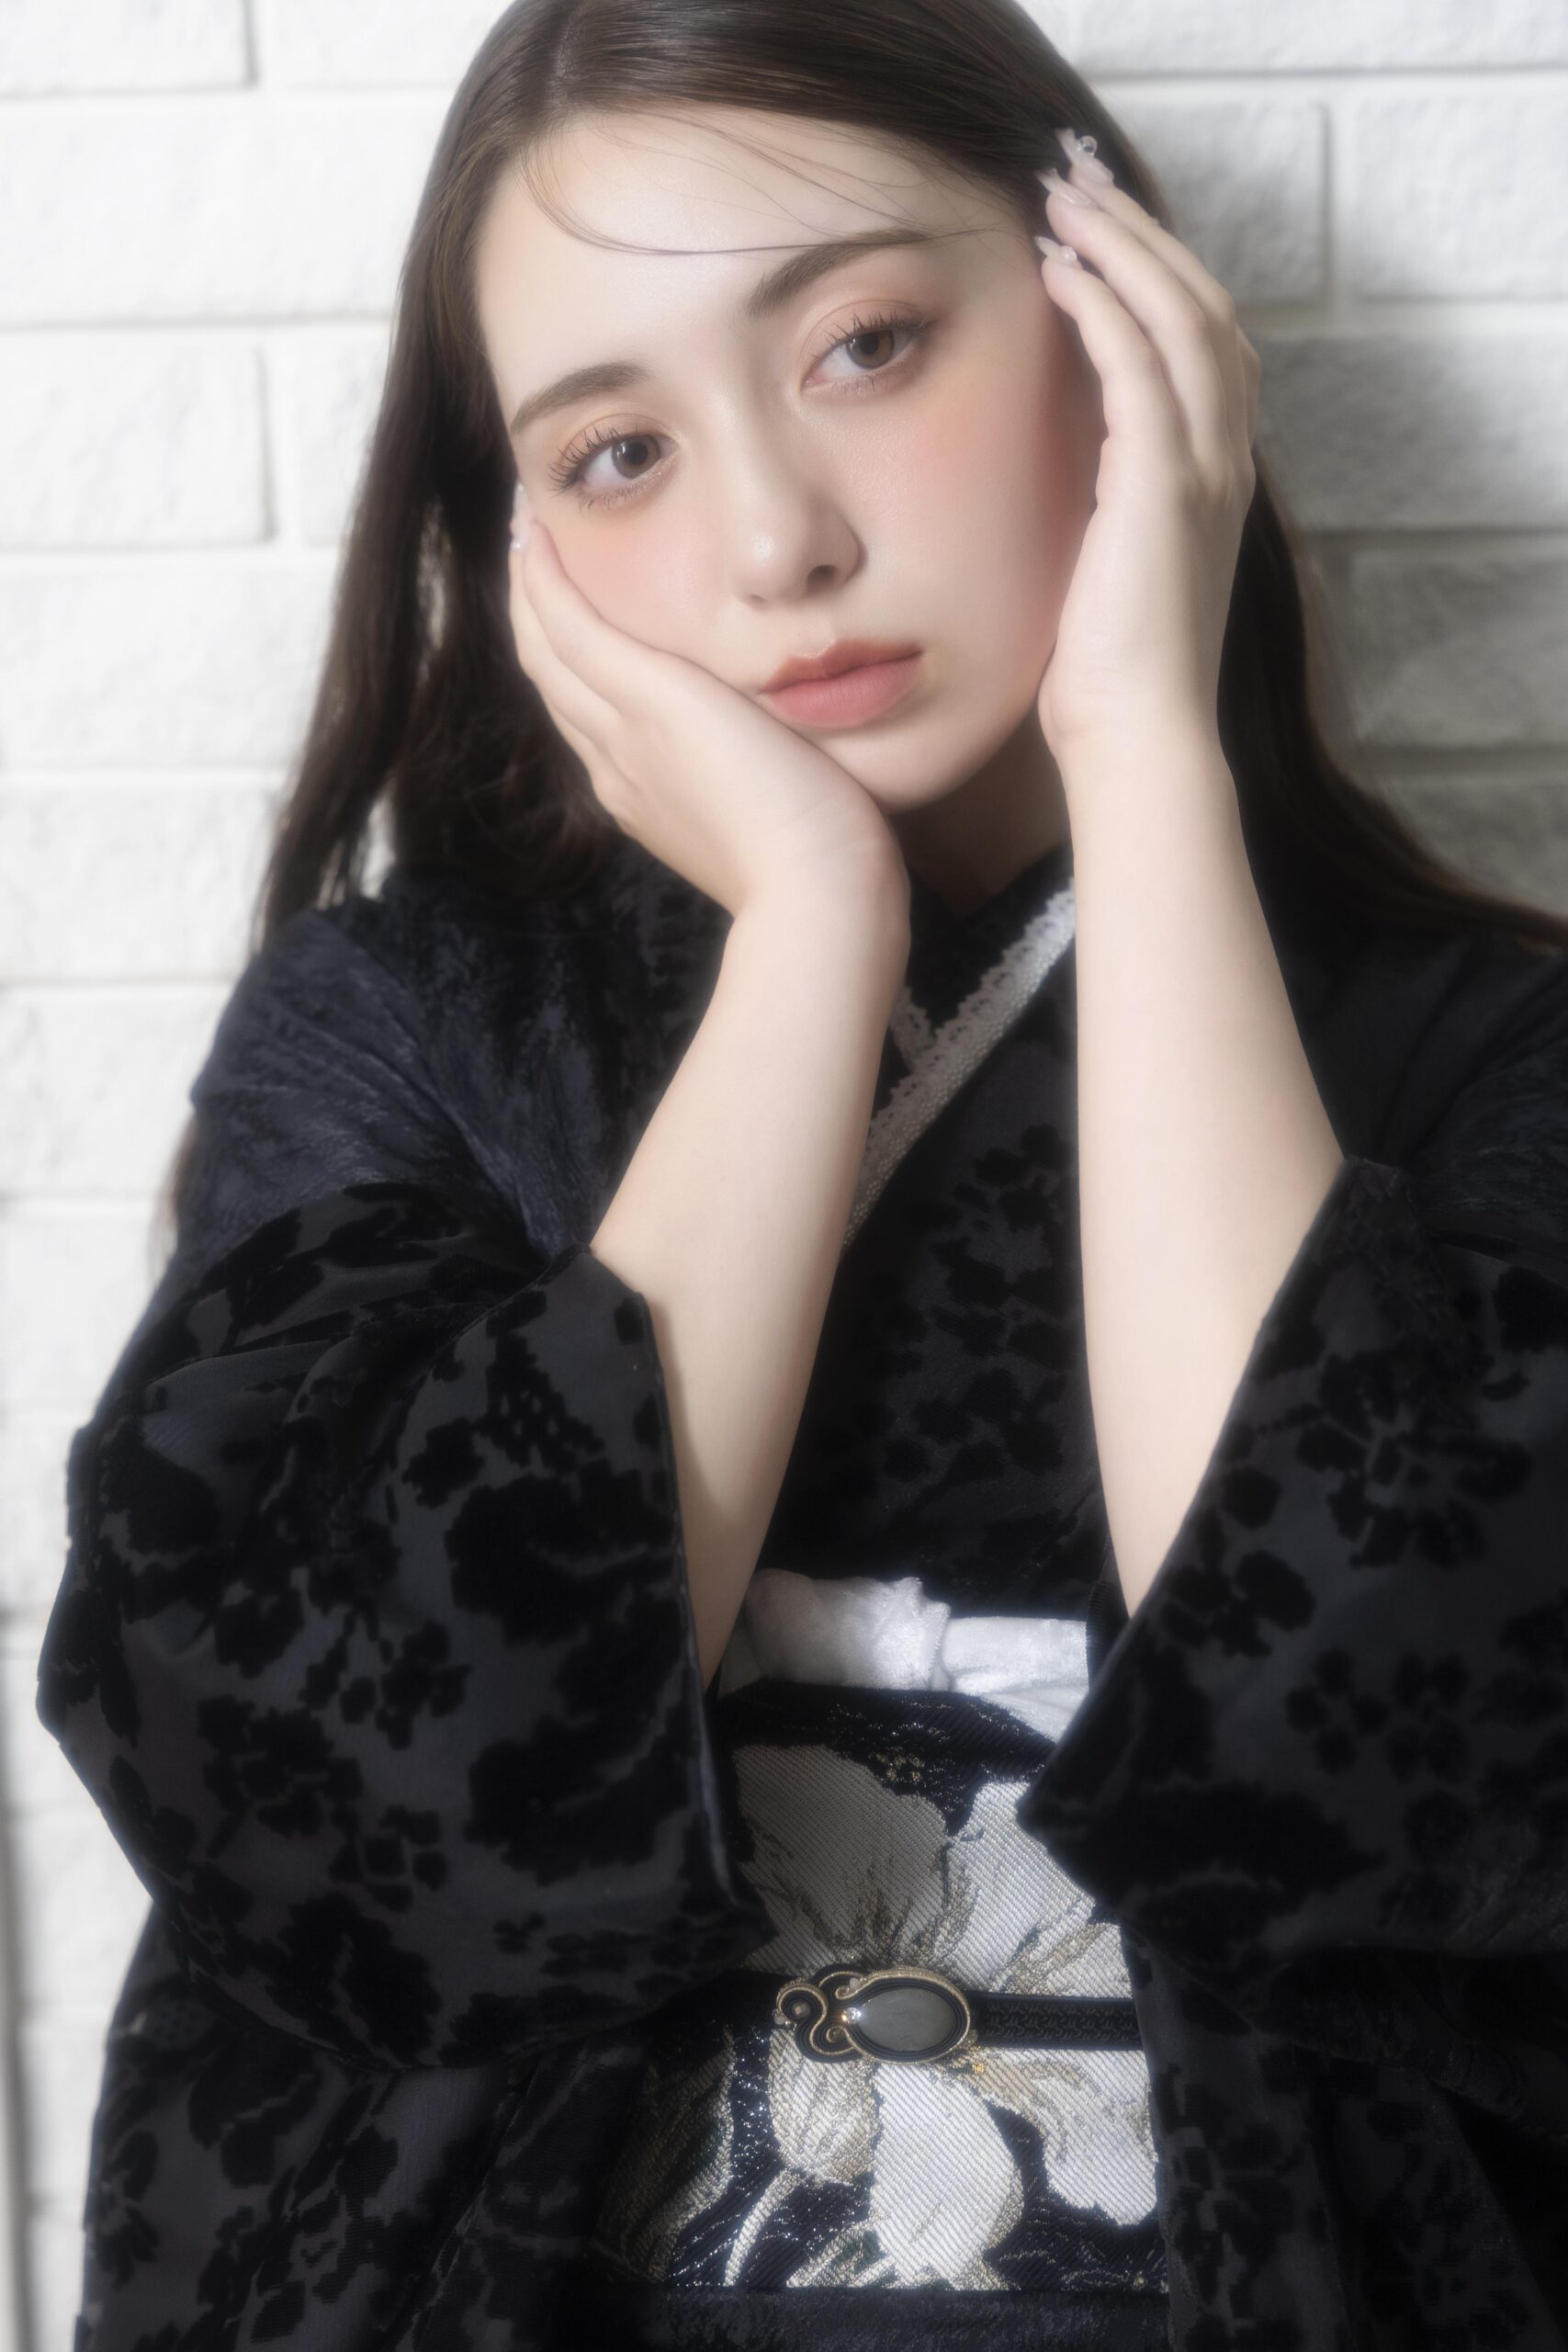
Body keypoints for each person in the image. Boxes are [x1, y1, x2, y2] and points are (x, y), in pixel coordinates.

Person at [35, 2, 1568, 2346]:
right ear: (517, 543)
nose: (774, 538)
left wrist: (1142, 748)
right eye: (616, 449)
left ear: (1119, 319)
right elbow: (355, 1807)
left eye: (863, 343)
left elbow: (1400, 1723)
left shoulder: (1483, 1052)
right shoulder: (410, 1028)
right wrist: (809, 933)